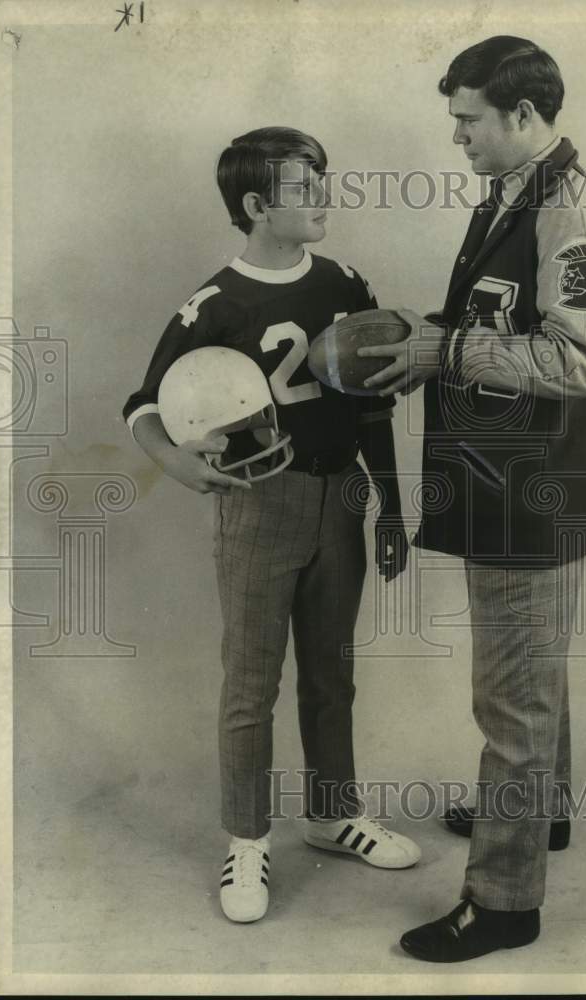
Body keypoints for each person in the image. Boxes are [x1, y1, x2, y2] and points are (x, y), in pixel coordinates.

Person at [360, 36, 586, 961]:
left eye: (469, 121)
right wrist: (424, 341)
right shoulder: (516, 190)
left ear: (522, 117)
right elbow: (495, 319)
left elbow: (577, 361)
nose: (458, 138)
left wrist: (448, 353)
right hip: (500, 479)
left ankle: (506, 900)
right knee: (534, 675)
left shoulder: (573, 211)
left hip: (528, 491)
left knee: (511, 699)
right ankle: (540, 812)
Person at [122, 126, 420, 925]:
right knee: (252, 685)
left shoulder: (346, 281)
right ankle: (246, 839)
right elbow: (145, 405)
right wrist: (178, 463)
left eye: (324, 179)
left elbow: (373, 404)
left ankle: (331, 813)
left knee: (332, 673)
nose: (323, 196)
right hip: (262, 505)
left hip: (341, 499)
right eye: (304, 186)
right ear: (257, 205)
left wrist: (389, 501)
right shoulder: (215, 303)